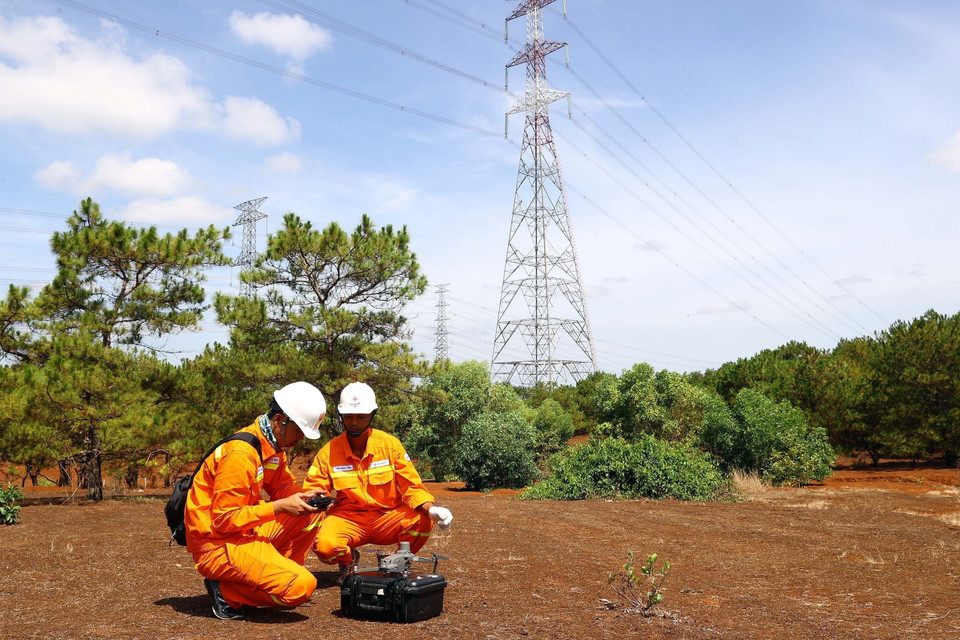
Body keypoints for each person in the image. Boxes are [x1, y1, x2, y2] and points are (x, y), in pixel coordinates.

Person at [185, 381, 328, 620]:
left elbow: (282, 486)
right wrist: (279, 507)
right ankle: (227, 592)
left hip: (244, 532)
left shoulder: (271, 446)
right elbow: (224, 520)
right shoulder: (241, 454)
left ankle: (276, 572)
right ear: (279, 420)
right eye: (299, 432)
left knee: (310, 513)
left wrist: (307, 497)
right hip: (218, 545)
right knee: (301, 588)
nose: (301, 440)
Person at [303, 381, 453, 583]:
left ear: (372, 414)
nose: (354, 422)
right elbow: (313, 489)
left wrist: (431, 509)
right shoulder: (329, 452)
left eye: (361, 416)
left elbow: (412, 486)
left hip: (388, 517)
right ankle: (348, 561)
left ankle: (398, 562)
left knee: (422, 520)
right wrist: (319, 501)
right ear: (341, 416)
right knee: (325, 546)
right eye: (349, 416)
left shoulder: (390, 445)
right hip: (348, 518)